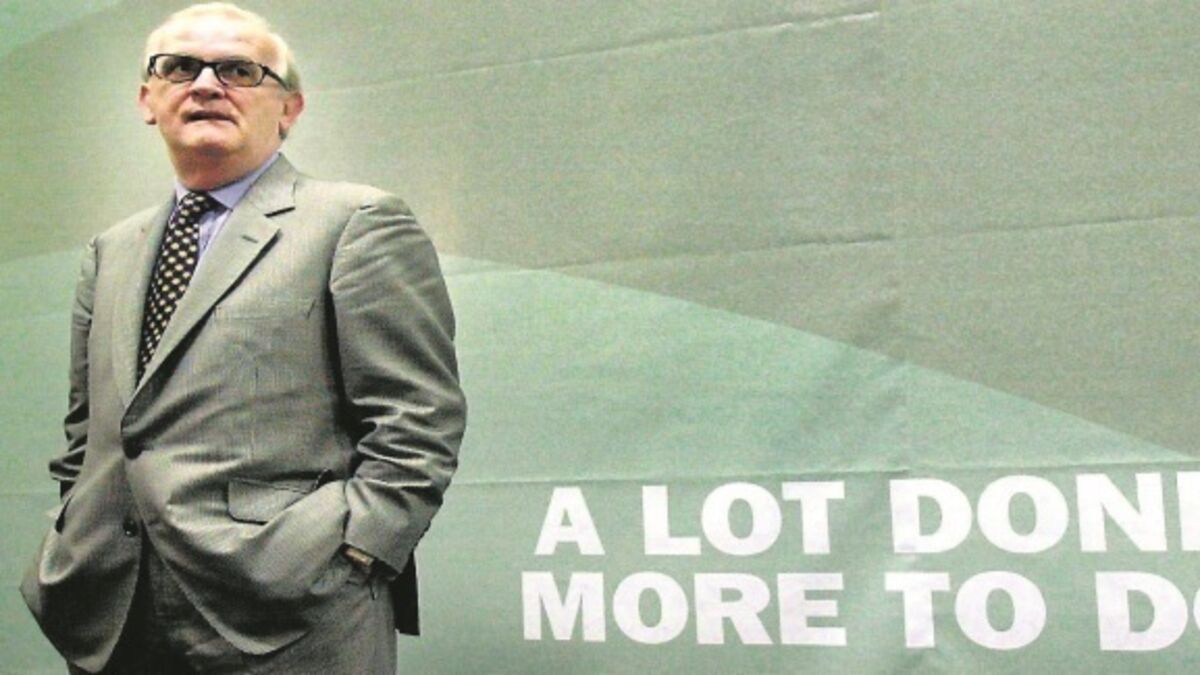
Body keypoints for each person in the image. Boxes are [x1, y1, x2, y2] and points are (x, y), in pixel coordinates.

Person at [20, 3, 466, 673]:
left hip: (290, 622)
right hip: (112, 615)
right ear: (147, 100)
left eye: (238, 70)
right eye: (179, 67)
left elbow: (419, 422)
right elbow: (89, 435)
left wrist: (354, 555)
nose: (206, 84)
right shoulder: (110, 250)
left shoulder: (355, 223)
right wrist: (71, 530)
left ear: (289, 108)